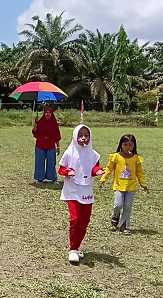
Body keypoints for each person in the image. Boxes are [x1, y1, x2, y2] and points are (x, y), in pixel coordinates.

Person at [58, 125, 104, 264]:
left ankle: (77, 247)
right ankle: (72, 249)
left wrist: (97, 171)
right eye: (80, 135)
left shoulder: (94, 154)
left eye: (86, 135)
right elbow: (61, 169)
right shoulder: (69, 153)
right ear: (75, 136)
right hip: (72, 189)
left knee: (85, 221)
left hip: (86, 190)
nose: (83, 138)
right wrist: (68, 172)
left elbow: (93, 169)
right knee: (76, 218)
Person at [100, 134, 147, 236]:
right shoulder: (116, 157)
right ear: (121, 145)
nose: (127, 147)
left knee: (128, 206)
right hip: (119, 186)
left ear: (134, 146)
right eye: (125, 145)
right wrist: (103, 178)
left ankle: (124, 226)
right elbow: (109, 169)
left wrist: (143, 184)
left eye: (130, 145)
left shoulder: (136, 158)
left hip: (131, 187)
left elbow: (140, 173)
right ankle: (115, 215)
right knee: (118, 204)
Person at [32, 107, 61, 183]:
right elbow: (34, 131)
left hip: (51, 145)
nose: (47, 114)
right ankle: (39, 178)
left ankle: (53, 178)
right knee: (39, 162)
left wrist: (58, 147)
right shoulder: (40, 122)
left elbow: (57, 136)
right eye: (46, 113)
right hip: (40, 145)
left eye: (49, 113)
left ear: (52, 114)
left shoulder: (55, 124)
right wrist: (36, 123)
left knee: (52, 162)